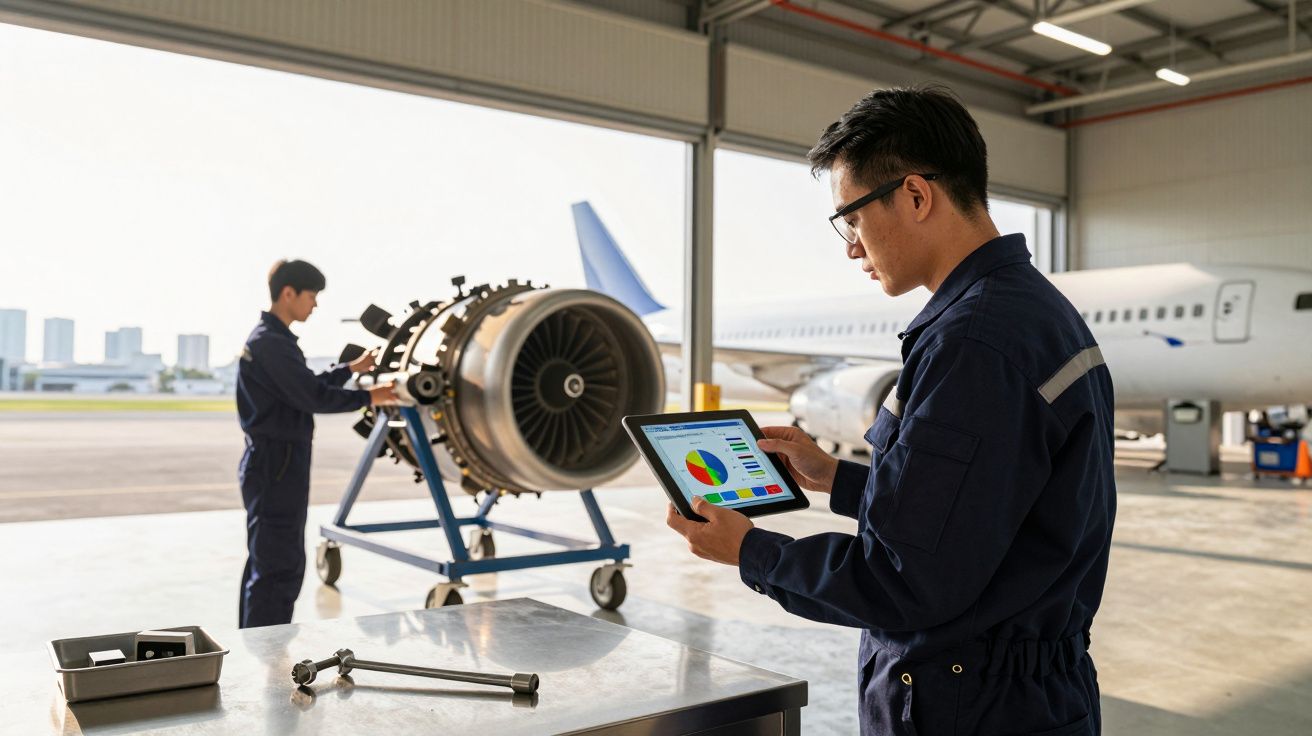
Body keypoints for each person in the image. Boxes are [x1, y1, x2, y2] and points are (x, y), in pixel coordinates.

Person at [665, 85, 1116, 735]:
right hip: (1032, 691)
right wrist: (838, 478)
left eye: (850, 217)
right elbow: (985, 506)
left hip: (971, 704)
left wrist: (752, 552)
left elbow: (904, 583)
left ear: (914, 195)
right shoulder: (1037, 312)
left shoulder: (973, 342)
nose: (851, 245)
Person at [236, 259, 396, 628]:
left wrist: (349, 370)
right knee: (279, 566)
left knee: (267, 560)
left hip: (274, 461)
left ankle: (254, 641)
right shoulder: (271, 343)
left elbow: (303, 385)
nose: (316, 304)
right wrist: (372, 396)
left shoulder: (272, 340)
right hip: (277, 464)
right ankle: (266, 650)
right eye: (312, 296)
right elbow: (312, 397)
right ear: (288, 293)